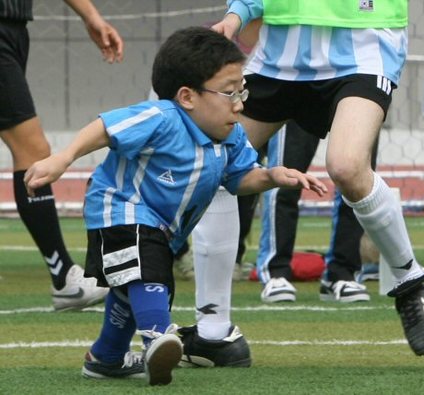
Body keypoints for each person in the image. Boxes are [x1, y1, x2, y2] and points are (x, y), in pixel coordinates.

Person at [180, 0, 424, 361]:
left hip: (364, 42)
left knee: (346, 166)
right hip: (282, 49)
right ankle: (214, 335)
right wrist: (237, 15)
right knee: (213, 166)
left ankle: (412, 280)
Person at [24, 27, 327, 385]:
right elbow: (106, 128)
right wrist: (63, 158)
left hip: (163, 229)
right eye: (230, 92)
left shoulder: (230, 137)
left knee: (128, 288)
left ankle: (105, 357)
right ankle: (158, 337)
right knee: (148, 272)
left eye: (241, 91)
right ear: (187, 97)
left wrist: (273, 176)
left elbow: (240, 178)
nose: (240, 103)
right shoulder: (161, 117)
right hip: (120, 207)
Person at [0, 0, 123, 311]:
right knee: (33, 150)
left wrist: (91, 16)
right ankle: (64, 277)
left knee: (29, 148)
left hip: (13, 28)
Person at [258, 121, 378, 303]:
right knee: (285, 177)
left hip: (353, 94)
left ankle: (342, 272)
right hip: (300, 93)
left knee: (355, 179)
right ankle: (276, 271)